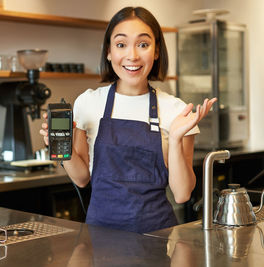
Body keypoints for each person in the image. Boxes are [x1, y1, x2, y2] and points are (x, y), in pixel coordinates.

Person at [40, 6, 217, 233]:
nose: (132, 56)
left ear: (156, 51)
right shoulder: (88, 103)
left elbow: (182, 194)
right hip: (99, 237)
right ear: (109, 52)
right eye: (121, 44)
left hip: (155, 238)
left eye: (143, 44)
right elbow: (82, 178)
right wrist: (60, 148)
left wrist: (175, 139)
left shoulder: (176, 110)